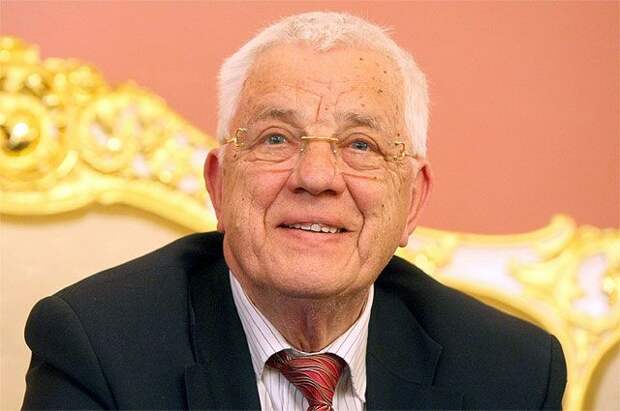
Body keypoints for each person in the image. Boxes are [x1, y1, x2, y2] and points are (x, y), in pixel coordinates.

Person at [22, 11, 566, 410]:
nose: (317, 177)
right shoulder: (97, 347)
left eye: (360, 145)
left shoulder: (510, 372)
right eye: (276, 138)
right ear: (218, 184)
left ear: (412, 201)